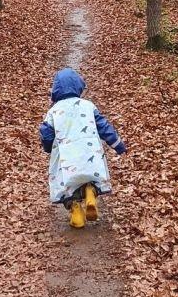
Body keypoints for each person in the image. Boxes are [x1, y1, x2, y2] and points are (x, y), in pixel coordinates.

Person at [39, 67, 126, 228]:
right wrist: (118, 145)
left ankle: (75, 210)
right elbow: (104, 127)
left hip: (66, 156)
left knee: (64, 183)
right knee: (90, 175)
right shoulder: (88, 106)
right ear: (79, 86)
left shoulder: (53, 111)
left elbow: (46, 133)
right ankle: (90, 192)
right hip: (88, 151)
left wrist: (49, 147)